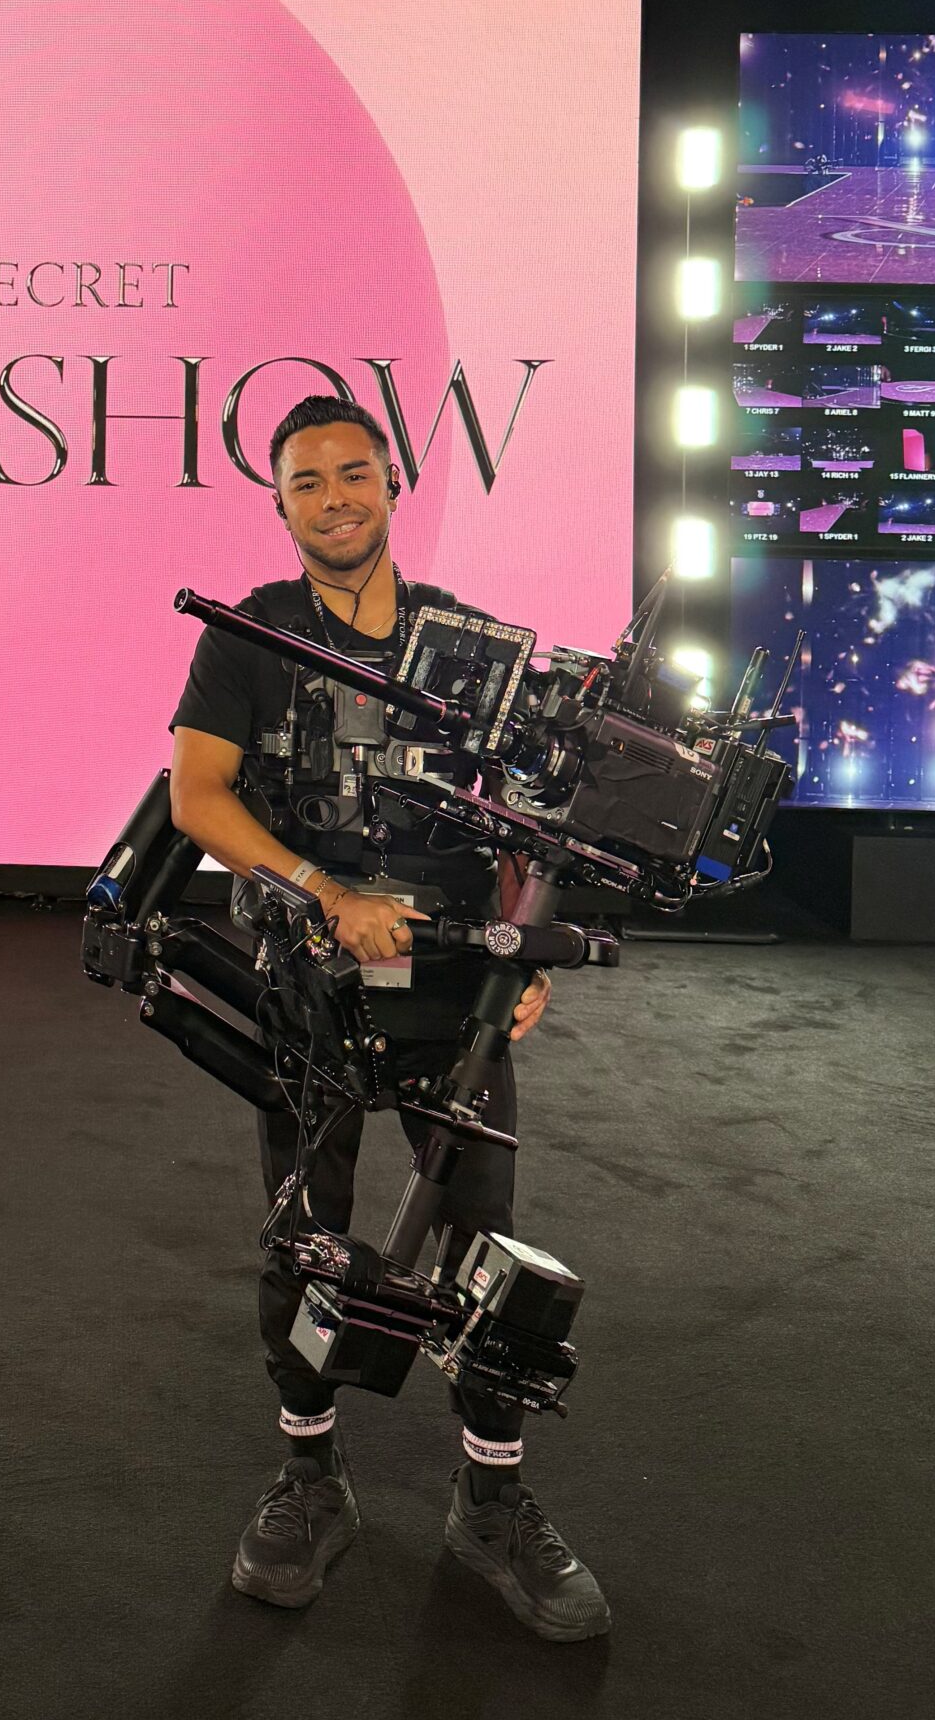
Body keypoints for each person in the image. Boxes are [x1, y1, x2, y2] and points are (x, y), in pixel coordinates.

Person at [168, 395, 610, 1642]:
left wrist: (527, 949)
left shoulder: (471, 647)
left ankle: (492, 1497)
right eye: (307, 482)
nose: (334, 499)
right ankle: (309, 1475)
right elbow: (197, 796)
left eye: (353, 473)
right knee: (304, 1235)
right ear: (280, 503)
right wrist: (326, 893)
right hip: (309, 984)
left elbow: (530, 825)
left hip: (455, 994)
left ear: (393, 483)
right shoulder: (250, 637)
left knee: (485, 1241)